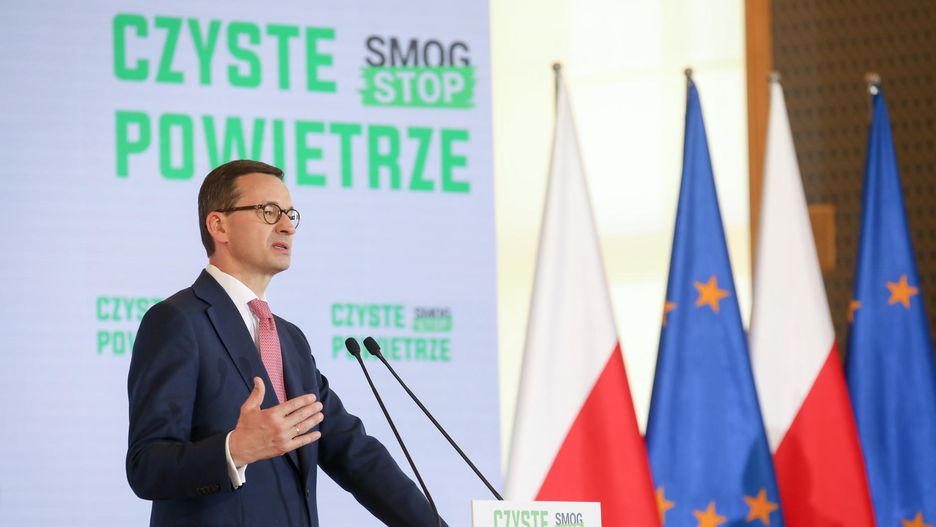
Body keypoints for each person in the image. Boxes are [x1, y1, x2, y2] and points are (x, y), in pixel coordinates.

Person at [126, 160, 444, 527]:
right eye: (268, 211)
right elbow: (146, 465)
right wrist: (234, 449)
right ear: (219, 225)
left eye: (290, 214)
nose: (287, 226)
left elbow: (353, 453)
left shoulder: (290, 340)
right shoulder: (178, 321)